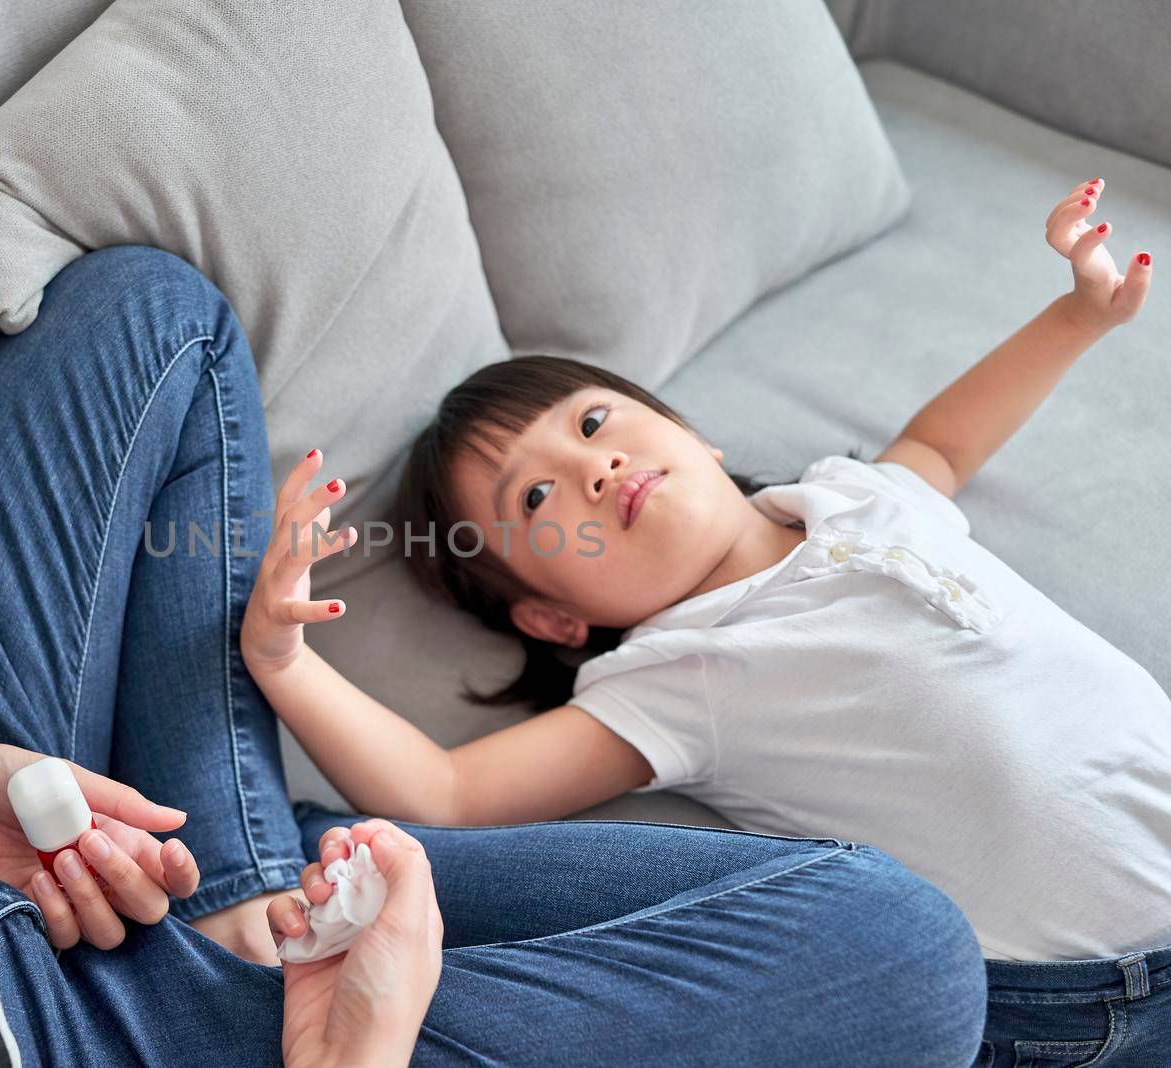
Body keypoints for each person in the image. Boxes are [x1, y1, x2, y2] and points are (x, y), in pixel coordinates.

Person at [0, 0, 992, 1064]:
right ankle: (245, 900)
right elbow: (445, 797)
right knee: (899, 959)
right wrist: (346, 1046)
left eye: (606, 429)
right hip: (34, 1034)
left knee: (154, 318)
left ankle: (241, 884)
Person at [240, 180, 1169, 1066]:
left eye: (596, 422)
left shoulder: (855, 493)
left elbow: (943, 443)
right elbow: (446, 793)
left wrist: (1079, 316)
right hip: (1088, 994)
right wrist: (284, 662)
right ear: (555, 619)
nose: (591, 470)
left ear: (696, 435)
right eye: (534, 496)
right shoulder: (676, 675)